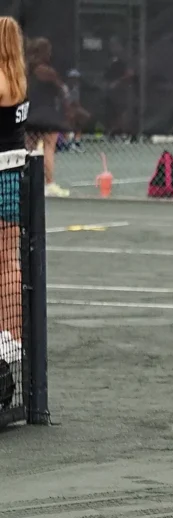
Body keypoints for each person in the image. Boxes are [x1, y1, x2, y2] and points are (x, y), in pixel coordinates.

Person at [0, 16, 28, 361]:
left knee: (7, 259)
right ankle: (11, 334)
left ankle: (9, 334)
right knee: (8, 258)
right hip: (13, 172)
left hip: (3, 175)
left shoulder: (3, 79)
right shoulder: (18, 76)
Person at [24, 38, 69, 197]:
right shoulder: (47, 71)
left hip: (30, 112)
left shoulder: (25, 69)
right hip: (46, 114)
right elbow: (62, 89)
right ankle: (49, 183)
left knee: (29, 147)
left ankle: (23, 180)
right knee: (49, 146)